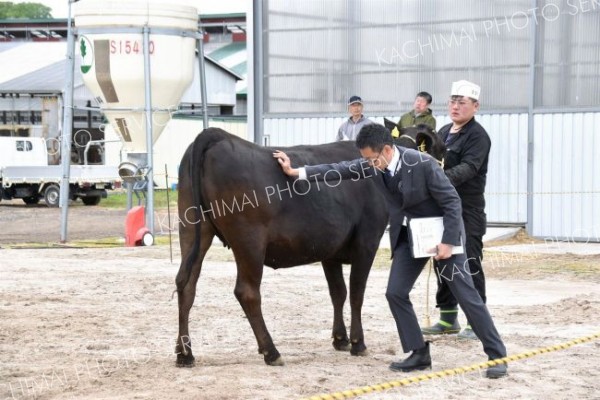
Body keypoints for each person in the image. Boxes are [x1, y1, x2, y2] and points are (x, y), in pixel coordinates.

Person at [273, 123, 507, 379]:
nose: (368, 164)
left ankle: (497, 354)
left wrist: (449, 242)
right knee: (395, 293)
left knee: (465, 292)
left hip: (443, 234)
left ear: (386, 150)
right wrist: (296, 171)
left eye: (372, 159)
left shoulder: (423, 164)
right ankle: (418, 352)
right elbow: (337, 170)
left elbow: (452, 202)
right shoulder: (373, 164)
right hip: (410, 237)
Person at [421, 80, 491, 341]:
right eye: (453, 101)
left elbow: (470, 168)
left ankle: (477, 321)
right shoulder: (444, 130)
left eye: (462, 102)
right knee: (442, 259)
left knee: (470, 261)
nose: (456, 106)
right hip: (443, 208)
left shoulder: (478, 136)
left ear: (475, 106)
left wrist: (436, 181)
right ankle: (448, 318)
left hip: (468, 209)